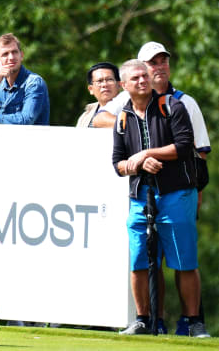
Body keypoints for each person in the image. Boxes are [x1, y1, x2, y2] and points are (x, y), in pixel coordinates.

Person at [112, 60, 208, 337]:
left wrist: (145, 154)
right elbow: (117, 163)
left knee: (183, 259)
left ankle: (193, 322)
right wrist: (138, 164)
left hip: (177, 192)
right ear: (124, 85)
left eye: (145, 75)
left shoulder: (172, 106)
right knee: (139, 259)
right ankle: (143, 319)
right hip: (141, 196)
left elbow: (183, 144)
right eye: (136, 77)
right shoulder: (123, 116)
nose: (143, 80)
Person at [76, 62, 122, 128]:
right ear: (91, 89)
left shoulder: (132, 109)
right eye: (99, 81)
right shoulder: (85, 116)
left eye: (109, 80)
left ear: (119, 85)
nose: (104, 85)